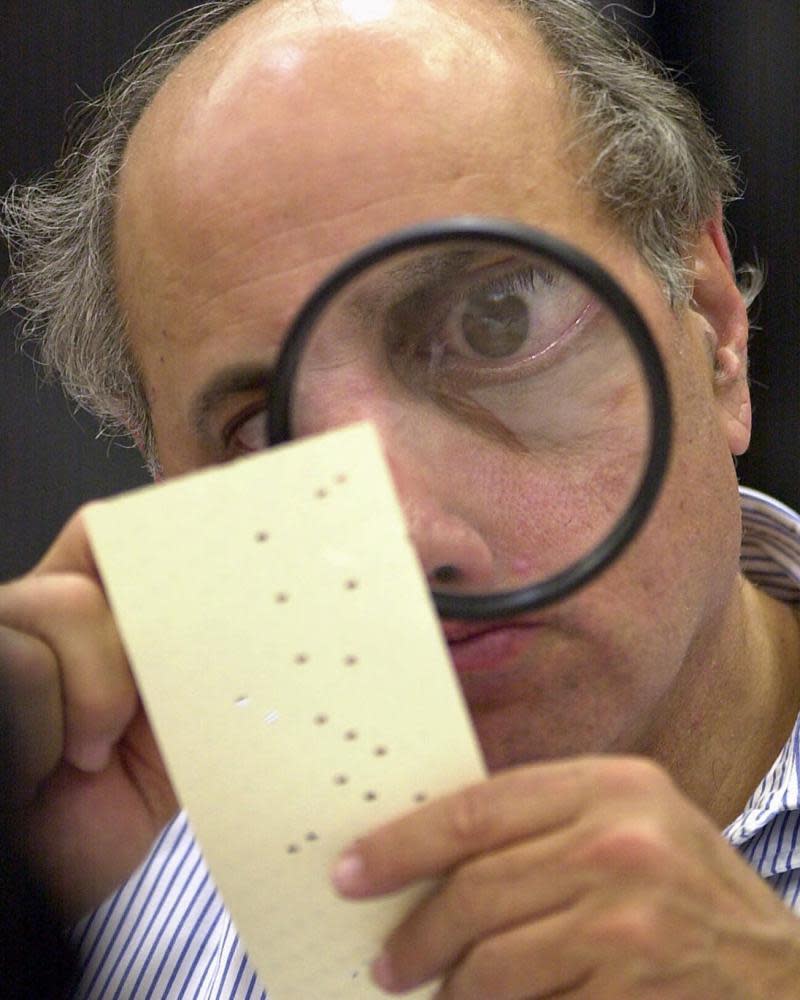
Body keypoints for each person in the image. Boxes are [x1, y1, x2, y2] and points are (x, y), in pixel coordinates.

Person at [2, 0, 800, 996]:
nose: (401, 542)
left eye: (495, 324)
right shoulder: (96, 878)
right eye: (262, 431)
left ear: (714, 326)